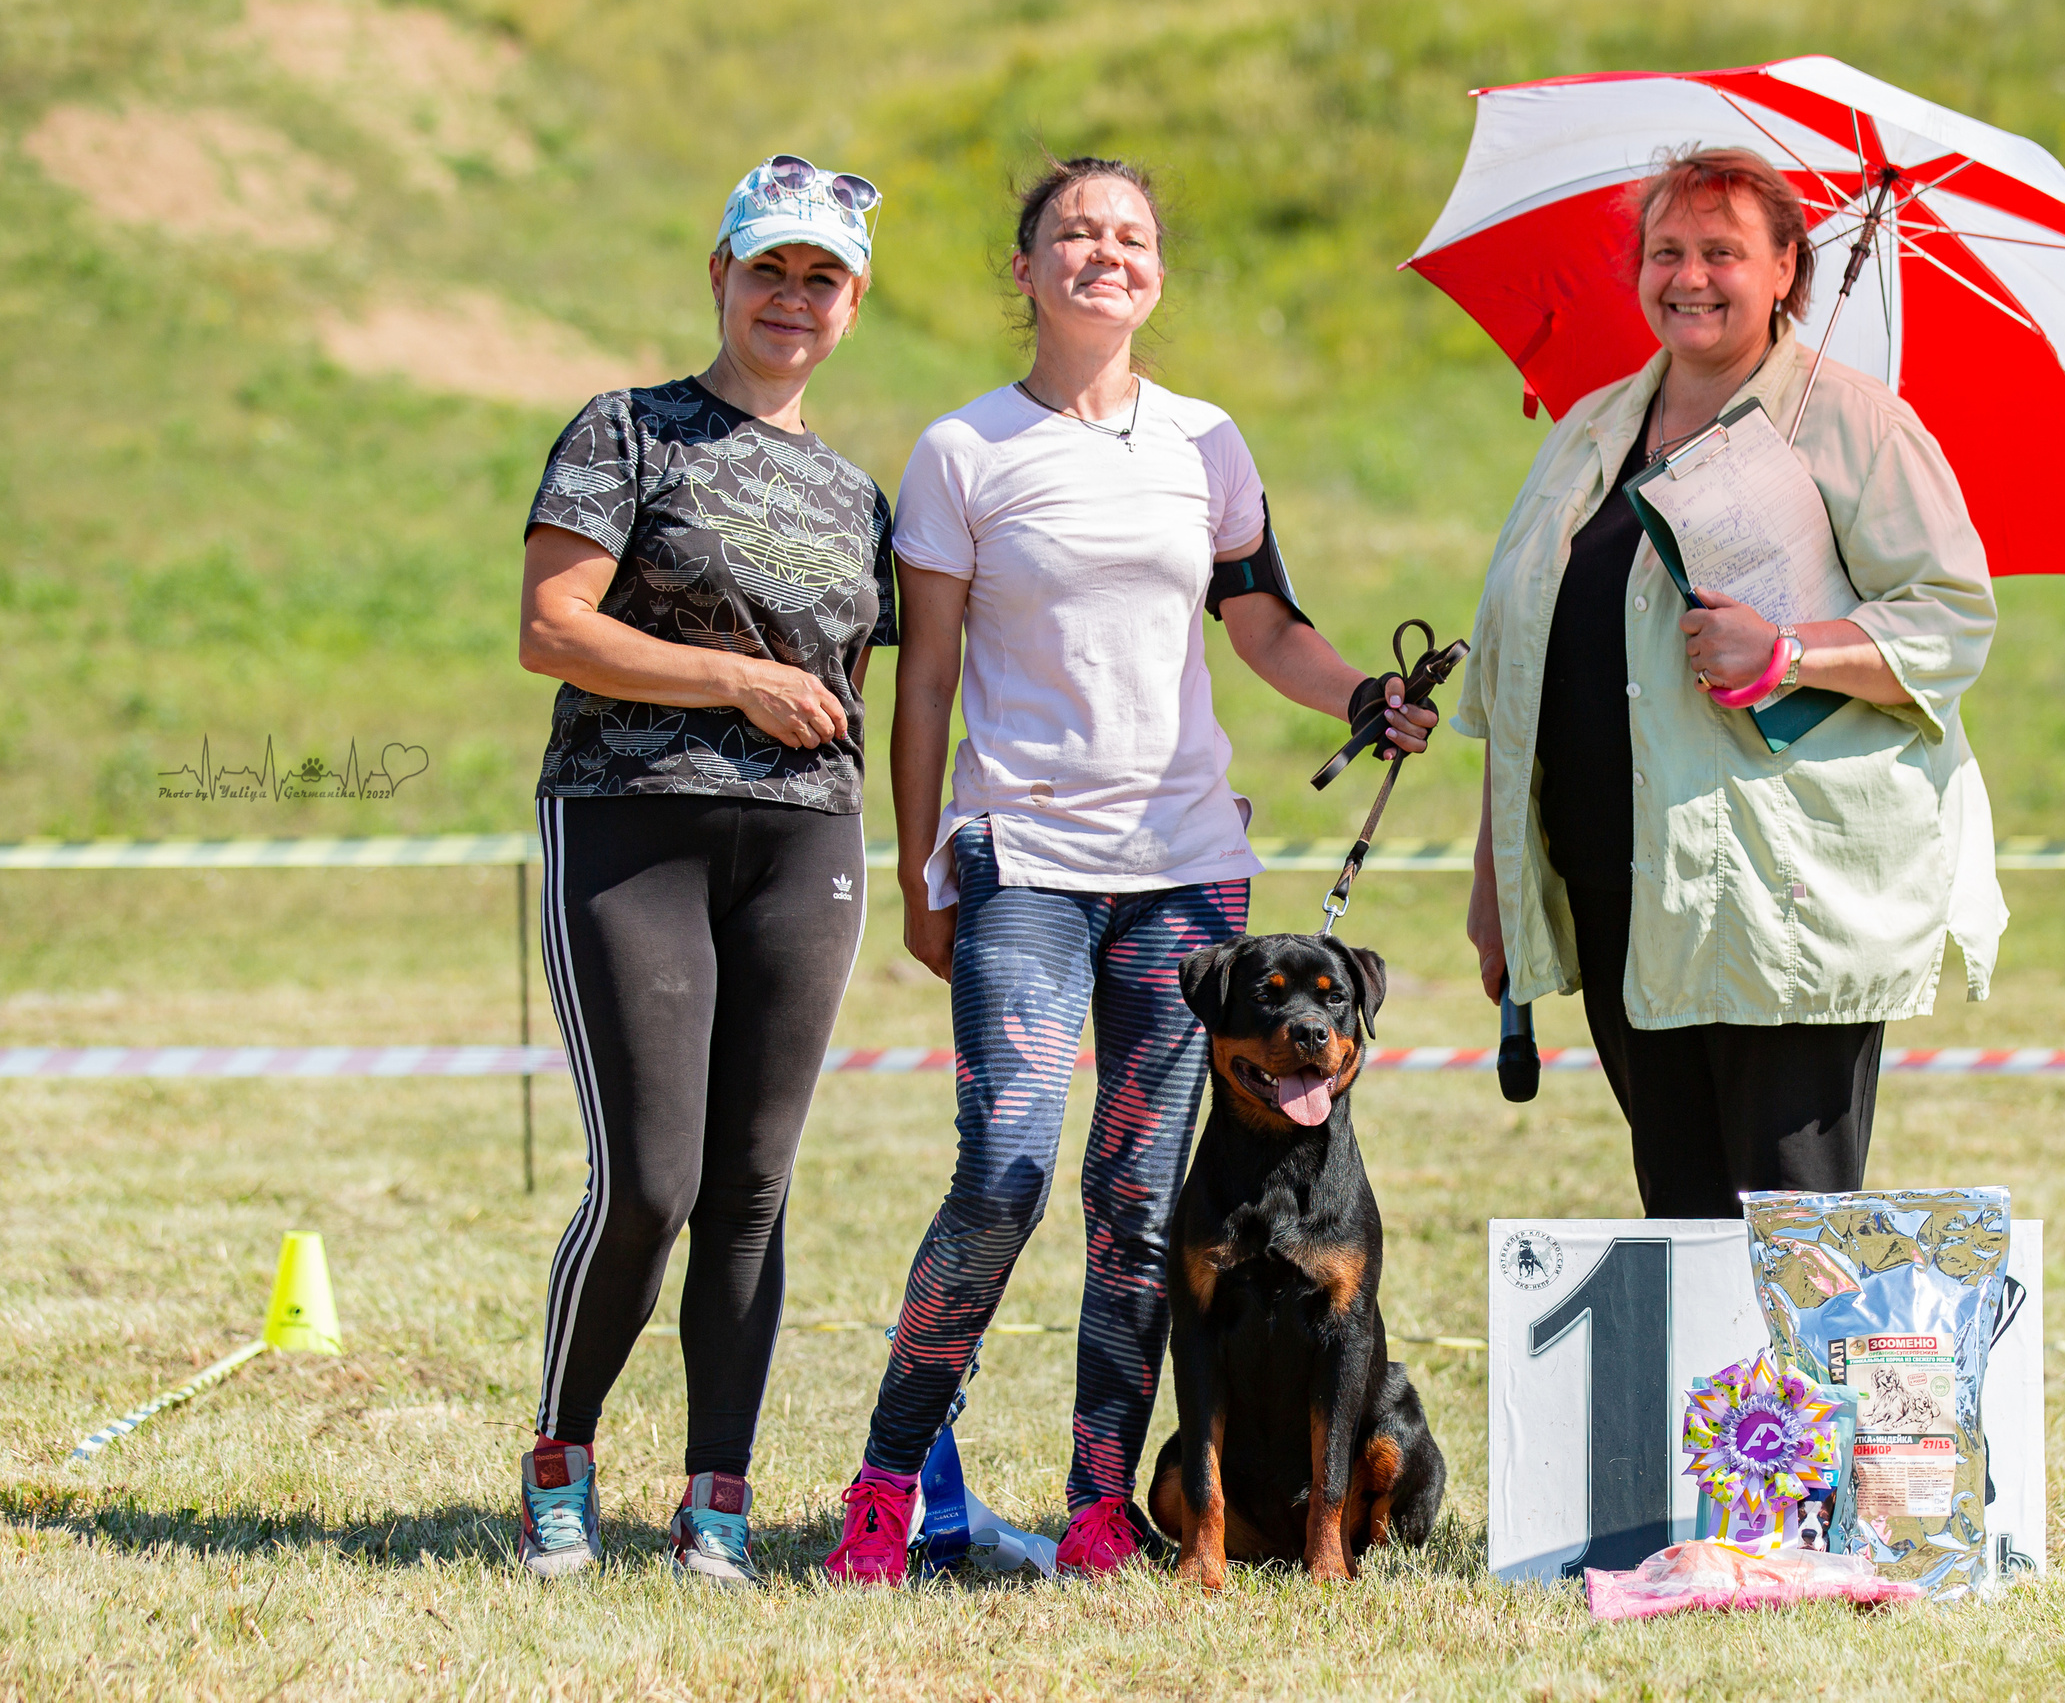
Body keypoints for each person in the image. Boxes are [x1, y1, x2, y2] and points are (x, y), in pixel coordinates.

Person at [823, 155, 1437, 1585]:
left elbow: (1267, 625)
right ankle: (887, 1480)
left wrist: (1357, 694)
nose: (1107, 251)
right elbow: (922, 687)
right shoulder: (962, 451)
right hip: (1024, 860)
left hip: (1187, 874)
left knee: (1140, 1199)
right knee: (1009, 1165)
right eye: (1075, 233)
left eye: (1134, 235)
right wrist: (921, 864)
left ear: (1156, 272)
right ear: (1026, 271)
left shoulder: (1207, 442)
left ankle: (1105, 1499)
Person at [1451, 145, 2006, 1217]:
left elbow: (1949, 621)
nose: (1689, 277)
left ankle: (1796, 1400)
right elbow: (1515, 670)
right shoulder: (1586, 432)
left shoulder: (1856, 426)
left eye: (1722, 252)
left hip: (1779, 896)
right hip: (1620, 890)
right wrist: (1498, 884)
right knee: (1680, 1213)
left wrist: (1791, 652)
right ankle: (1710, 1400)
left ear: (1788, 268)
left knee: (1789, 1220)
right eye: (1666, 251)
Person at [511, 154, 895, 1585]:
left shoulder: (862, 496)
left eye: (823, 277)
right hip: (631, 823)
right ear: (721, 277)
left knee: (753, 1182)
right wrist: (737, 680)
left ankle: (715, 1502)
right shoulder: (628, 431)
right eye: (770, 268)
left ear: (852, 303)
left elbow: (873, 684)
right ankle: (562, 1456)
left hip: (808, 840)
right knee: (652, 1177)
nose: (792, 297)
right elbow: (556, 626)